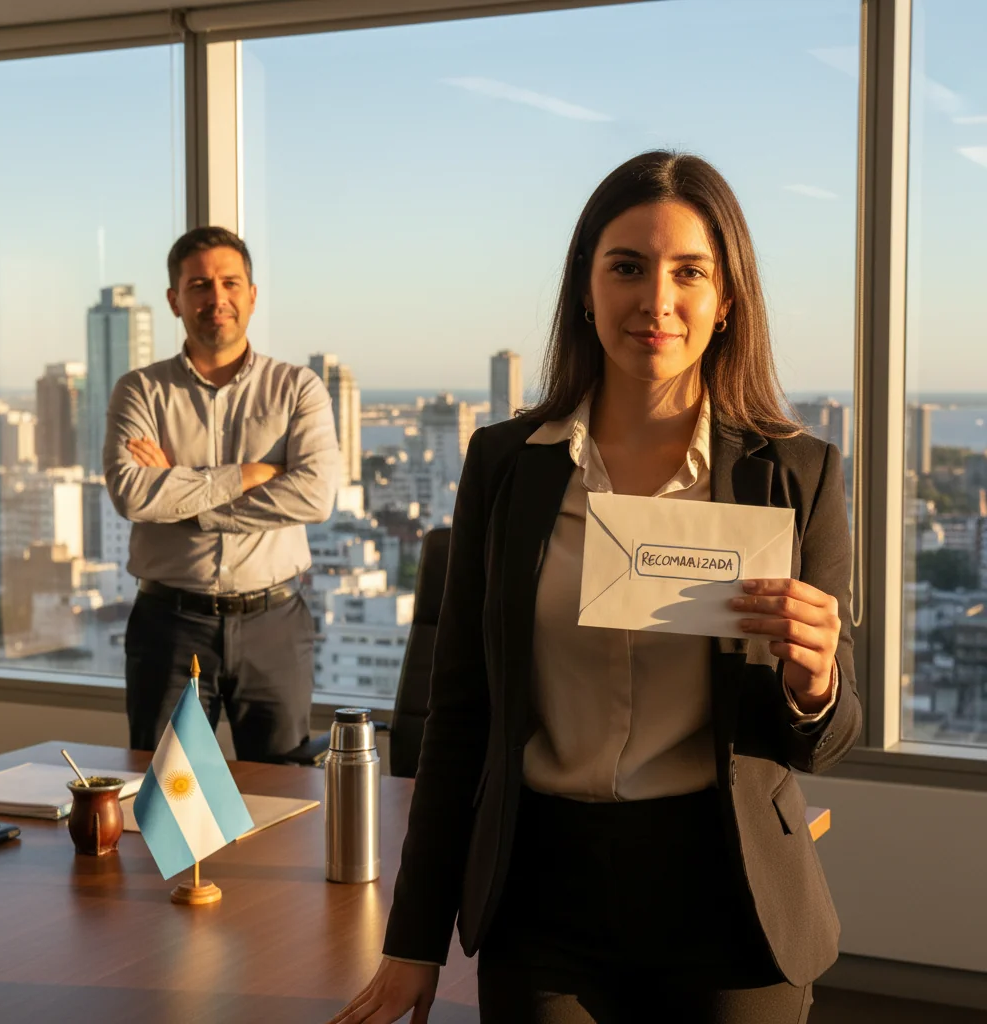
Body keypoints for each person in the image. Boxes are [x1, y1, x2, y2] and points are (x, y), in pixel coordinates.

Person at [329, 151, 862, 1024]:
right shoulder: (506, 466)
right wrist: (411, 942)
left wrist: (816, 684)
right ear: (585, 287)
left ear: (727, 301)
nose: (657, 300)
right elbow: (461, 715)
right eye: (627, 267)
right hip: (545, 893)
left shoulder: (795, 475)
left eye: (690, 272)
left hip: (728, 894)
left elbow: (825, 741)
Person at [104, 226, 340, 762]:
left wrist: (185, 494)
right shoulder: (140, 391)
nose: (217, 298)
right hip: (169, 625)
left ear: (252, 295)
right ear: (174, 300)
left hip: (274, 625)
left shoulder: (297, 388)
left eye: (230, 283)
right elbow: (133, 495)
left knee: (285, 794)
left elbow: (316, 496)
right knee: (167, 797)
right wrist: (251, 473)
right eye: (199, 285)